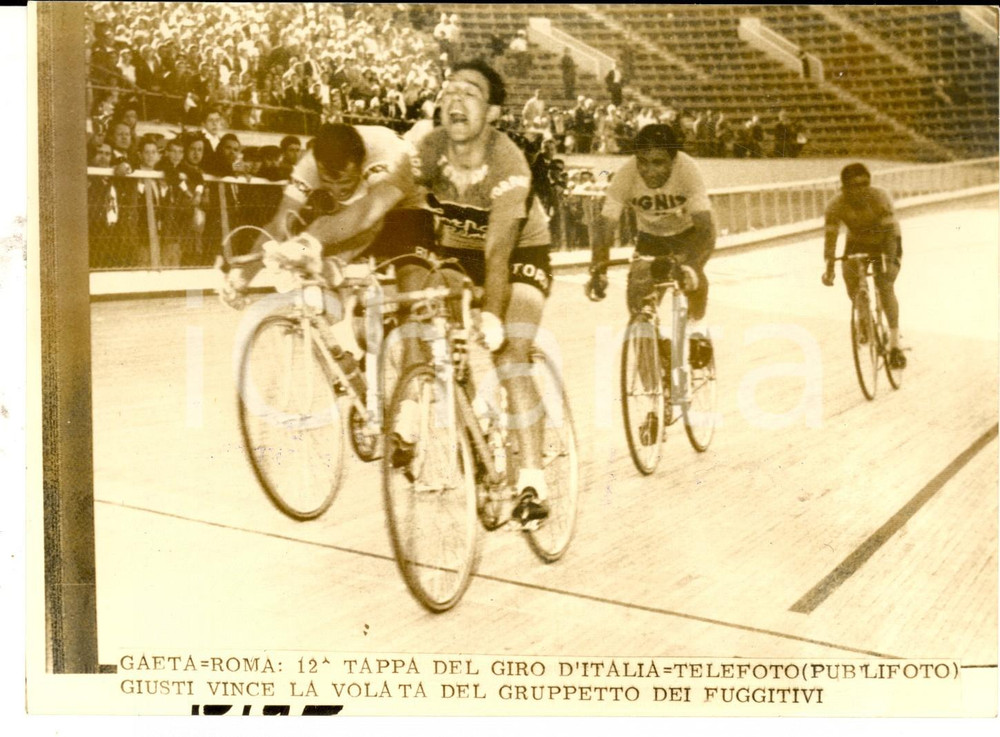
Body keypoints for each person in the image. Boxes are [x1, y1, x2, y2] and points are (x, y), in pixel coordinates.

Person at [413, 59, 555, 526]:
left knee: (511, 353)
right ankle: (472, 443)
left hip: (519, 252)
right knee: (438, 336)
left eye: (469, 92)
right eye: (447, 89)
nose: (454, 99)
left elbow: (498, 252)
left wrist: (492, 314)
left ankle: (533, 481)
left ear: (493, 113)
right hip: (460, 252)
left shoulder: (509, 160)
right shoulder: (429, 147)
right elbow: (377, 203)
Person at [220, 122, 434, 310]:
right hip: (360, 210)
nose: (336, 191)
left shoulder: (386, 153)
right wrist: (242, 277)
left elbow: (368, 215)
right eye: (328, 183)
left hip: (408, 205)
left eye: (344, 184)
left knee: (411, 287)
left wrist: (307, 243)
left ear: (360, 165)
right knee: (313, 260)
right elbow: (279, 223)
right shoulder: (310, 163)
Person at [586, 124, 716, 373]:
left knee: (692, 276)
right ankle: (655, 358)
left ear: (673, 160)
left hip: (689, 233)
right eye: (643, 162)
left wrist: (691, 264)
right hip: (651, 236)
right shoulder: (626, 175)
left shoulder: (687, 170)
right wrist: (598, 269)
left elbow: (706, 229)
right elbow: (605, 225)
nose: (648, 170)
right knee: (637, 301)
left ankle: (696, 326)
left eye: (658, 163)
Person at [822, 163, 906, 369]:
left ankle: (895, 345)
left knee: (885, 284)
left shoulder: (880, 197)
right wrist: (829, 268)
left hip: (885, 240)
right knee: (849, 275)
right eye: (854, 186)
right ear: (844, 188)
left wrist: (888, 262)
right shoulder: (835, 205)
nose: (861, 190)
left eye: (865, 184)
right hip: (857, 242)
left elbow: (891, 234)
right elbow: (831, 239)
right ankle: (863, 315)